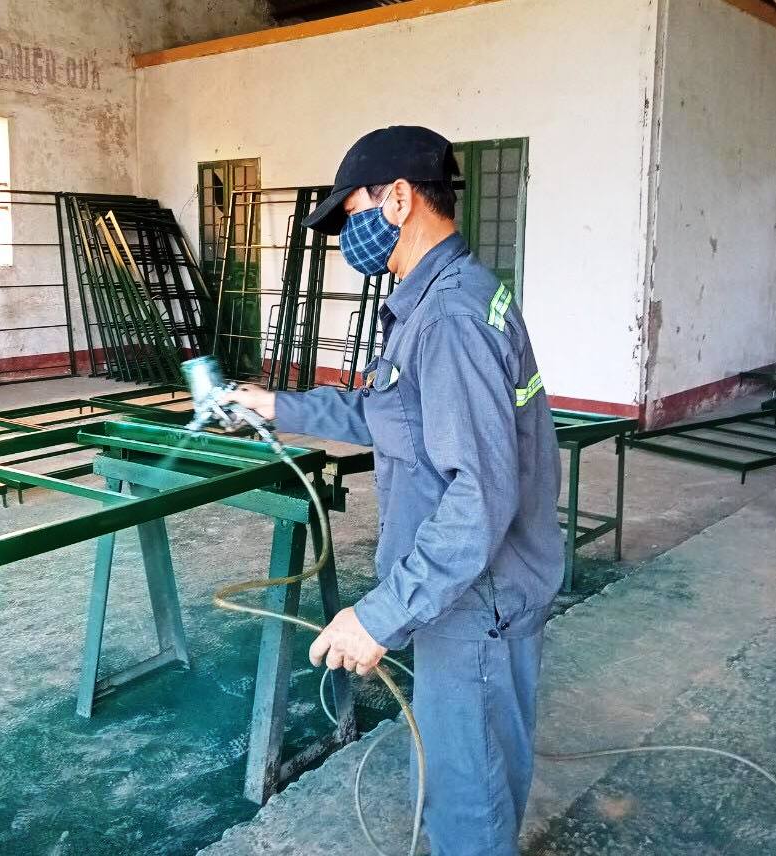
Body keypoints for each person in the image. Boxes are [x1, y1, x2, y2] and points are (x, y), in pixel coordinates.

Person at [222, 126, 563, 855]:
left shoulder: (449, 319)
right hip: (470, 591)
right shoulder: (446, 296)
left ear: (400, 200)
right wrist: (277, 405)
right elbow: (391, 414)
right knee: (469, 775)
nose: (349, 236)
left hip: (476, 601)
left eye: (352, 214)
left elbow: (479, 497)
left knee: (466, 801)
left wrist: (380, 616)